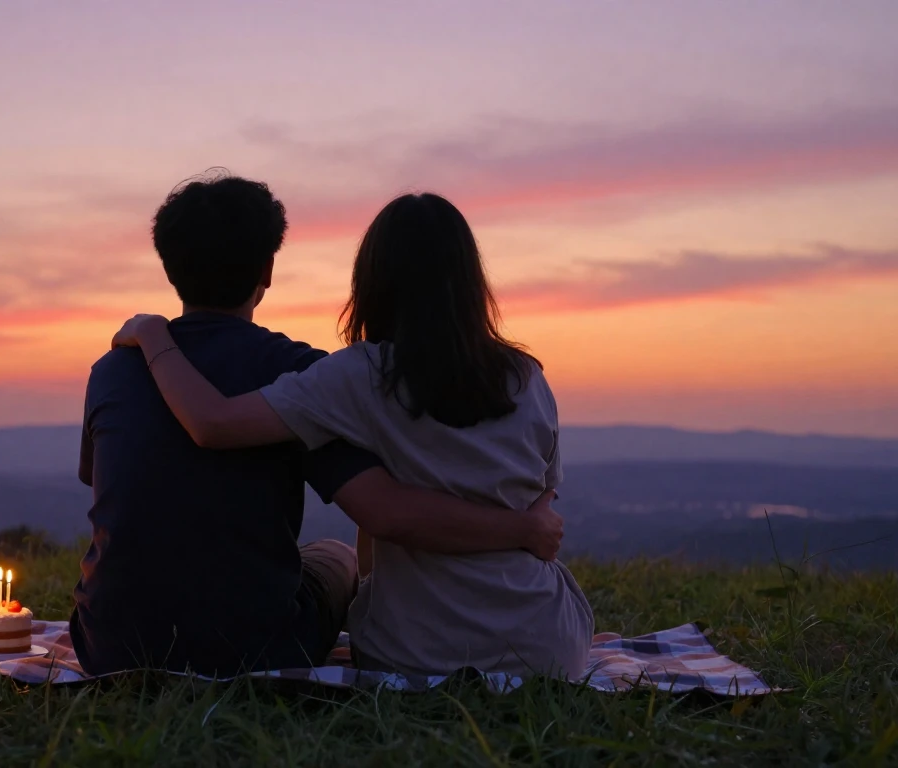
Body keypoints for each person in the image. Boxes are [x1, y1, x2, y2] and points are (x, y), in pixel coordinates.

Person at [73, 173, 567, 677]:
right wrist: (523, 527)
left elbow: (107, 477)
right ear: (267, 268)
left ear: (169, 265)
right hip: (254, 648)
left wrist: (152, 334)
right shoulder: (306, 371)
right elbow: (383, 509)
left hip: (109, 644)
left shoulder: (112, 368)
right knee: (334, 556)